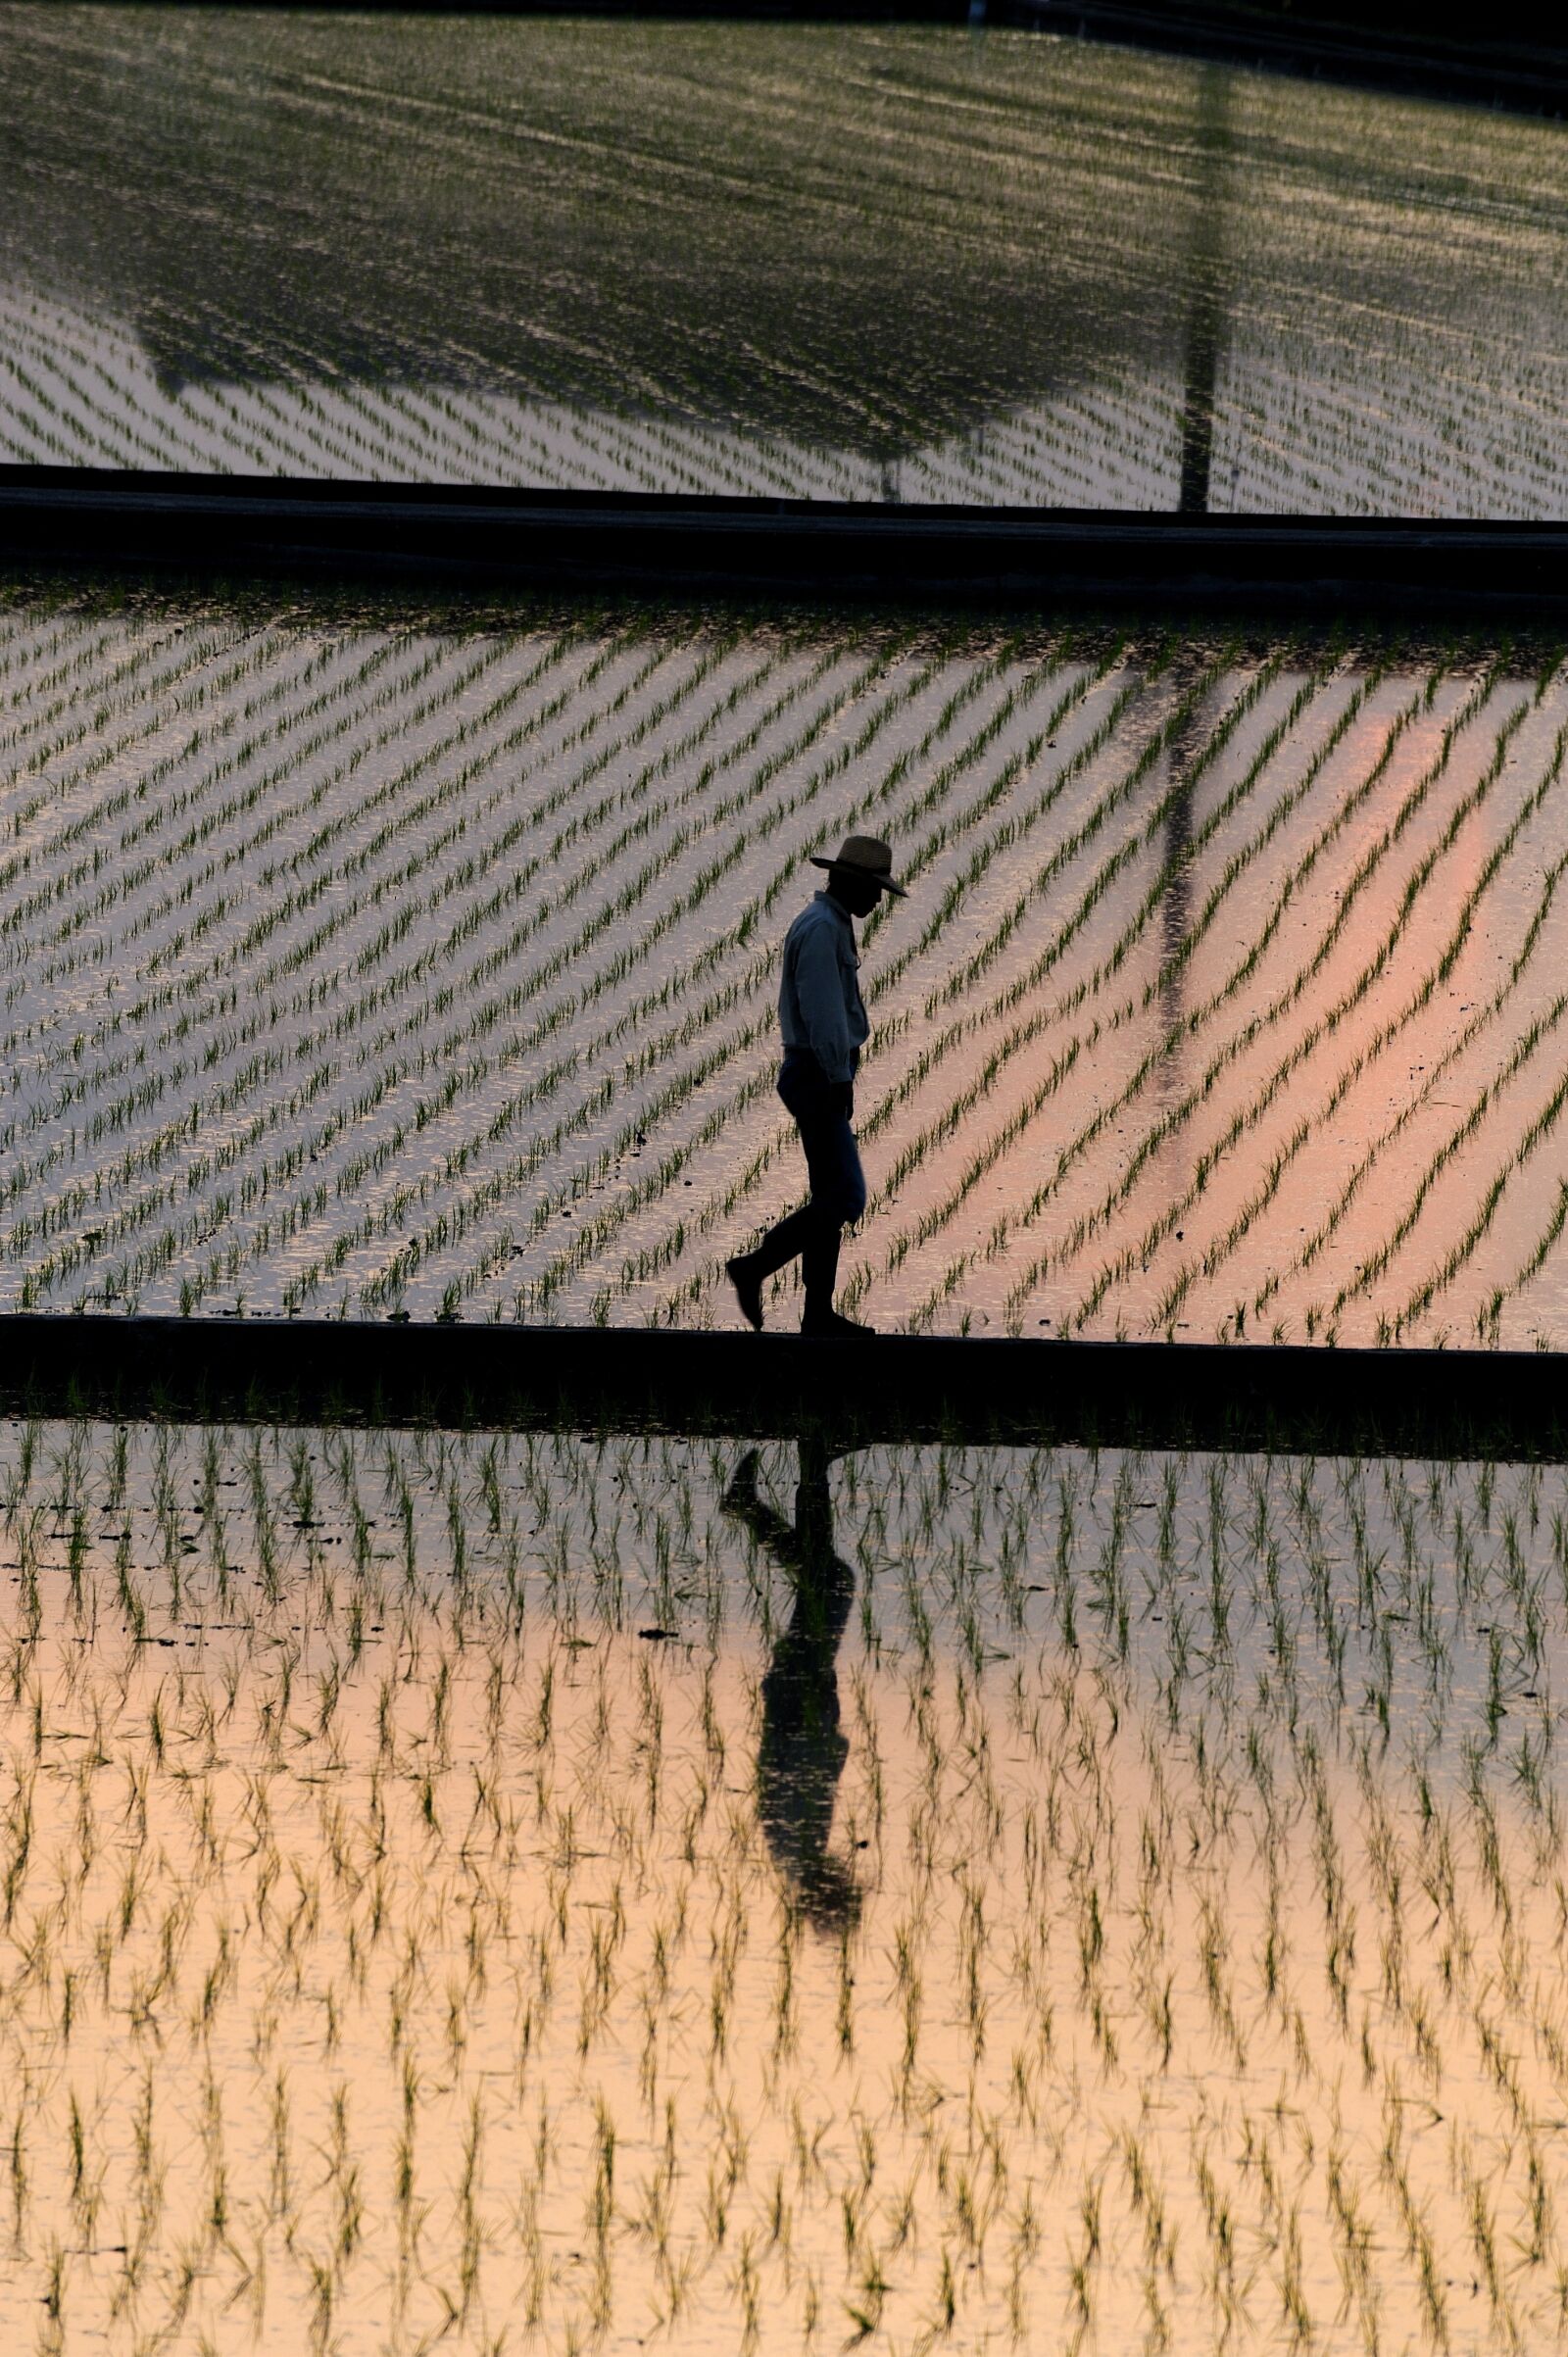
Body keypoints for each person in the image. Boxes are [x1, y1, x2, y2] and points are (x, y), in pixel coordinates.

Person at [726, 834, 906, 1339]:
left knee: (828, 1195)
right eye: (872, 889)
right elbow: (825, 1014)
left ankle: (817, 1316)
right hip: (815, 1074)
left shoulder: (830, 925)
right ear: (847, 881)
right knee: (846, 1195)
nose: (876, 899)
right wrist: (839, 1079)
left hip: (816, 1073)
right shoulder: (824, 930)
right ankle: (755, 1267)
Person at [720, 1440, 859, 1928]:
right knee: (827, 1579)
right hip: (801, 1696)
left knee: (831, 1582)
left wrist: (814, 1708)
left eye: (847, 1891)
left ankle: (797, 1479)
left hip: (798, 1697)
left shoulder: (797, 1851)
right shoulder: (800, 1853)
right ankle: (807, 1471)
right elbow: (799, 1772)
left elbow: (790, 1766)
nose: (851, 1876)